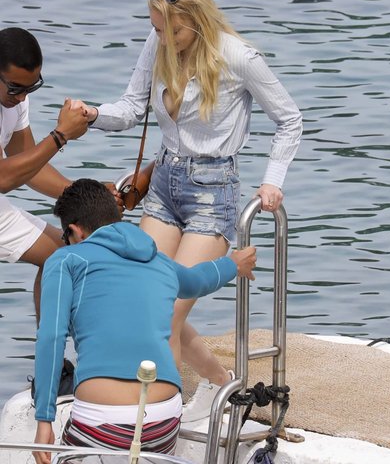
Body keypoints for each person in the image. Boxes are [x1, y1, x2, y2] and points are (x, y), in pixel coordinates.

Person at [72, 0, 303, 421]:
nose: (162, 38)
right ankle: (222, 384)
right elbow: (132, 107)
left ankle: (159, 423)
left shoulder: (238, 57)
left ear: (196, 20)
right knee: (144, 300)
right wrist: (93, 114)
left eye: (171, 31)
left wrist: (272, 180)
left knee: (167, 314)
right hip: (163, 185)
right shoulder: (158, 40)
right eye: (156, 28)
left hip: (212, 193)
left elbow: (290, 119)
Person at [33, 178, 256, 464]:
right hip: (163, 423)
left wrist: (44, 419)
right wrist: (233, 264)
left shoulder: (66, 259)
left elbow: (51, 337)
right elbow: (198, 280)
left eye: (66, 237)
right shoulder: (159, 261)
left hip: (100, 422)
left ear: (75, 231)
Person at [0, 27, 89, 319]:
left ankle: (49, 347)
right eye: (15, 88)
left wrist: (84, 194)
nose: (22, 98)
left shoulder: (16, 99)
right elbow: (3, 179)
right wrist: (60, 136)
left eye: (31, 88)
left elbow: (27, 164)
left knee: (61, 256)